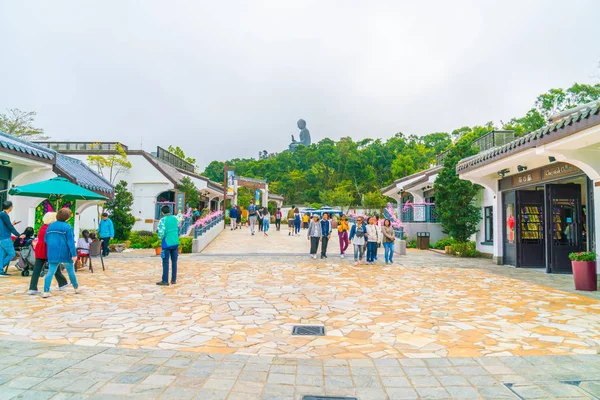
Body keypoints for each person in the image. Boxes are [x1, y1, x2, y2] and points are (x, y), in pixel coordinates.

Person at [28, 212, 69, 295]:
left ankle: (32, 288)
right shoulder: (52, 228)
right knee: (55, 267)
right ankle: (62, 283)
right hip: (49, 250)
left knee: (37, 270)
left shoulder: (42, 227)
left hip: (40, 249)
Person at [43, 208, 80, 298]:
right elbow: (71, 242)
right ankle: (76, 288)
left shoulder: (50, 226)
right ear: (67, 218)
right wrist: (74, 254)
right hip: (65, 252)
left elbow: (46, 239)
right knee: (70, 270)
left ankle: (46, 291)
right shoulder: (67, 227)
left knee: (50, 272)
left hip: (52, 252)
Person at [156, 205, 180, 286]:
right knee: (174, 261)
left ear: (162, 212)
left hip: (167, 243)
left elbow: (160, 233)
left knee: (165, 262)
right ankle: (173, 280)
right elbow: (180, 218)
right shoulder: (175, 218)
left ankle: (165, 280)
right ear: (169, 211)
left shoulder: (162, 220)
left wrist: (160, 237)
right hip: (175, 242)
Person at [0, 201, 22, 277]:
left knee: (1, 255)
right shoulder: (4, 215)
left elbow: (7, 225)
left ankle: (0, 270)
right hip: (5, 238)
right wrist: (19, 235)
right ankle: (0, 268)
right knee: (12, 254)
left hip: (2, 238)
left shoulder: (2, 214)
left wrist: (12, 224)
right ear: (10, 207)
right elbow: (10, 227)